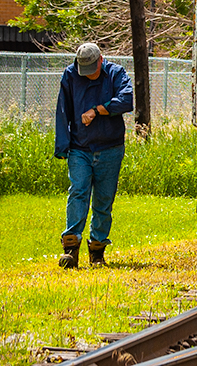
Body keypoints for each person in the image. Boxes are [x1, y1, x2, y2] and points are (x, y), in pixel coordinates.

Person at [54, 43, 134, 268]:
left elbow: (126, 101)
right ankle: (71, 248)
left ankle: (97, 252)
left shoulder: (116, 74)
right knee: (78, 192)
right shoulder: (70, 75)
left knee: (103, 200)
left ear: (101, 60)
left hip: (110, 148)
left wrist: (97, 110)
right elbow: (63, 110)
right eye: (84, 70)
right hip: (80, 147)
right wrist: (62, 146)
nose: (88, 75)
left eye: (92, 68)